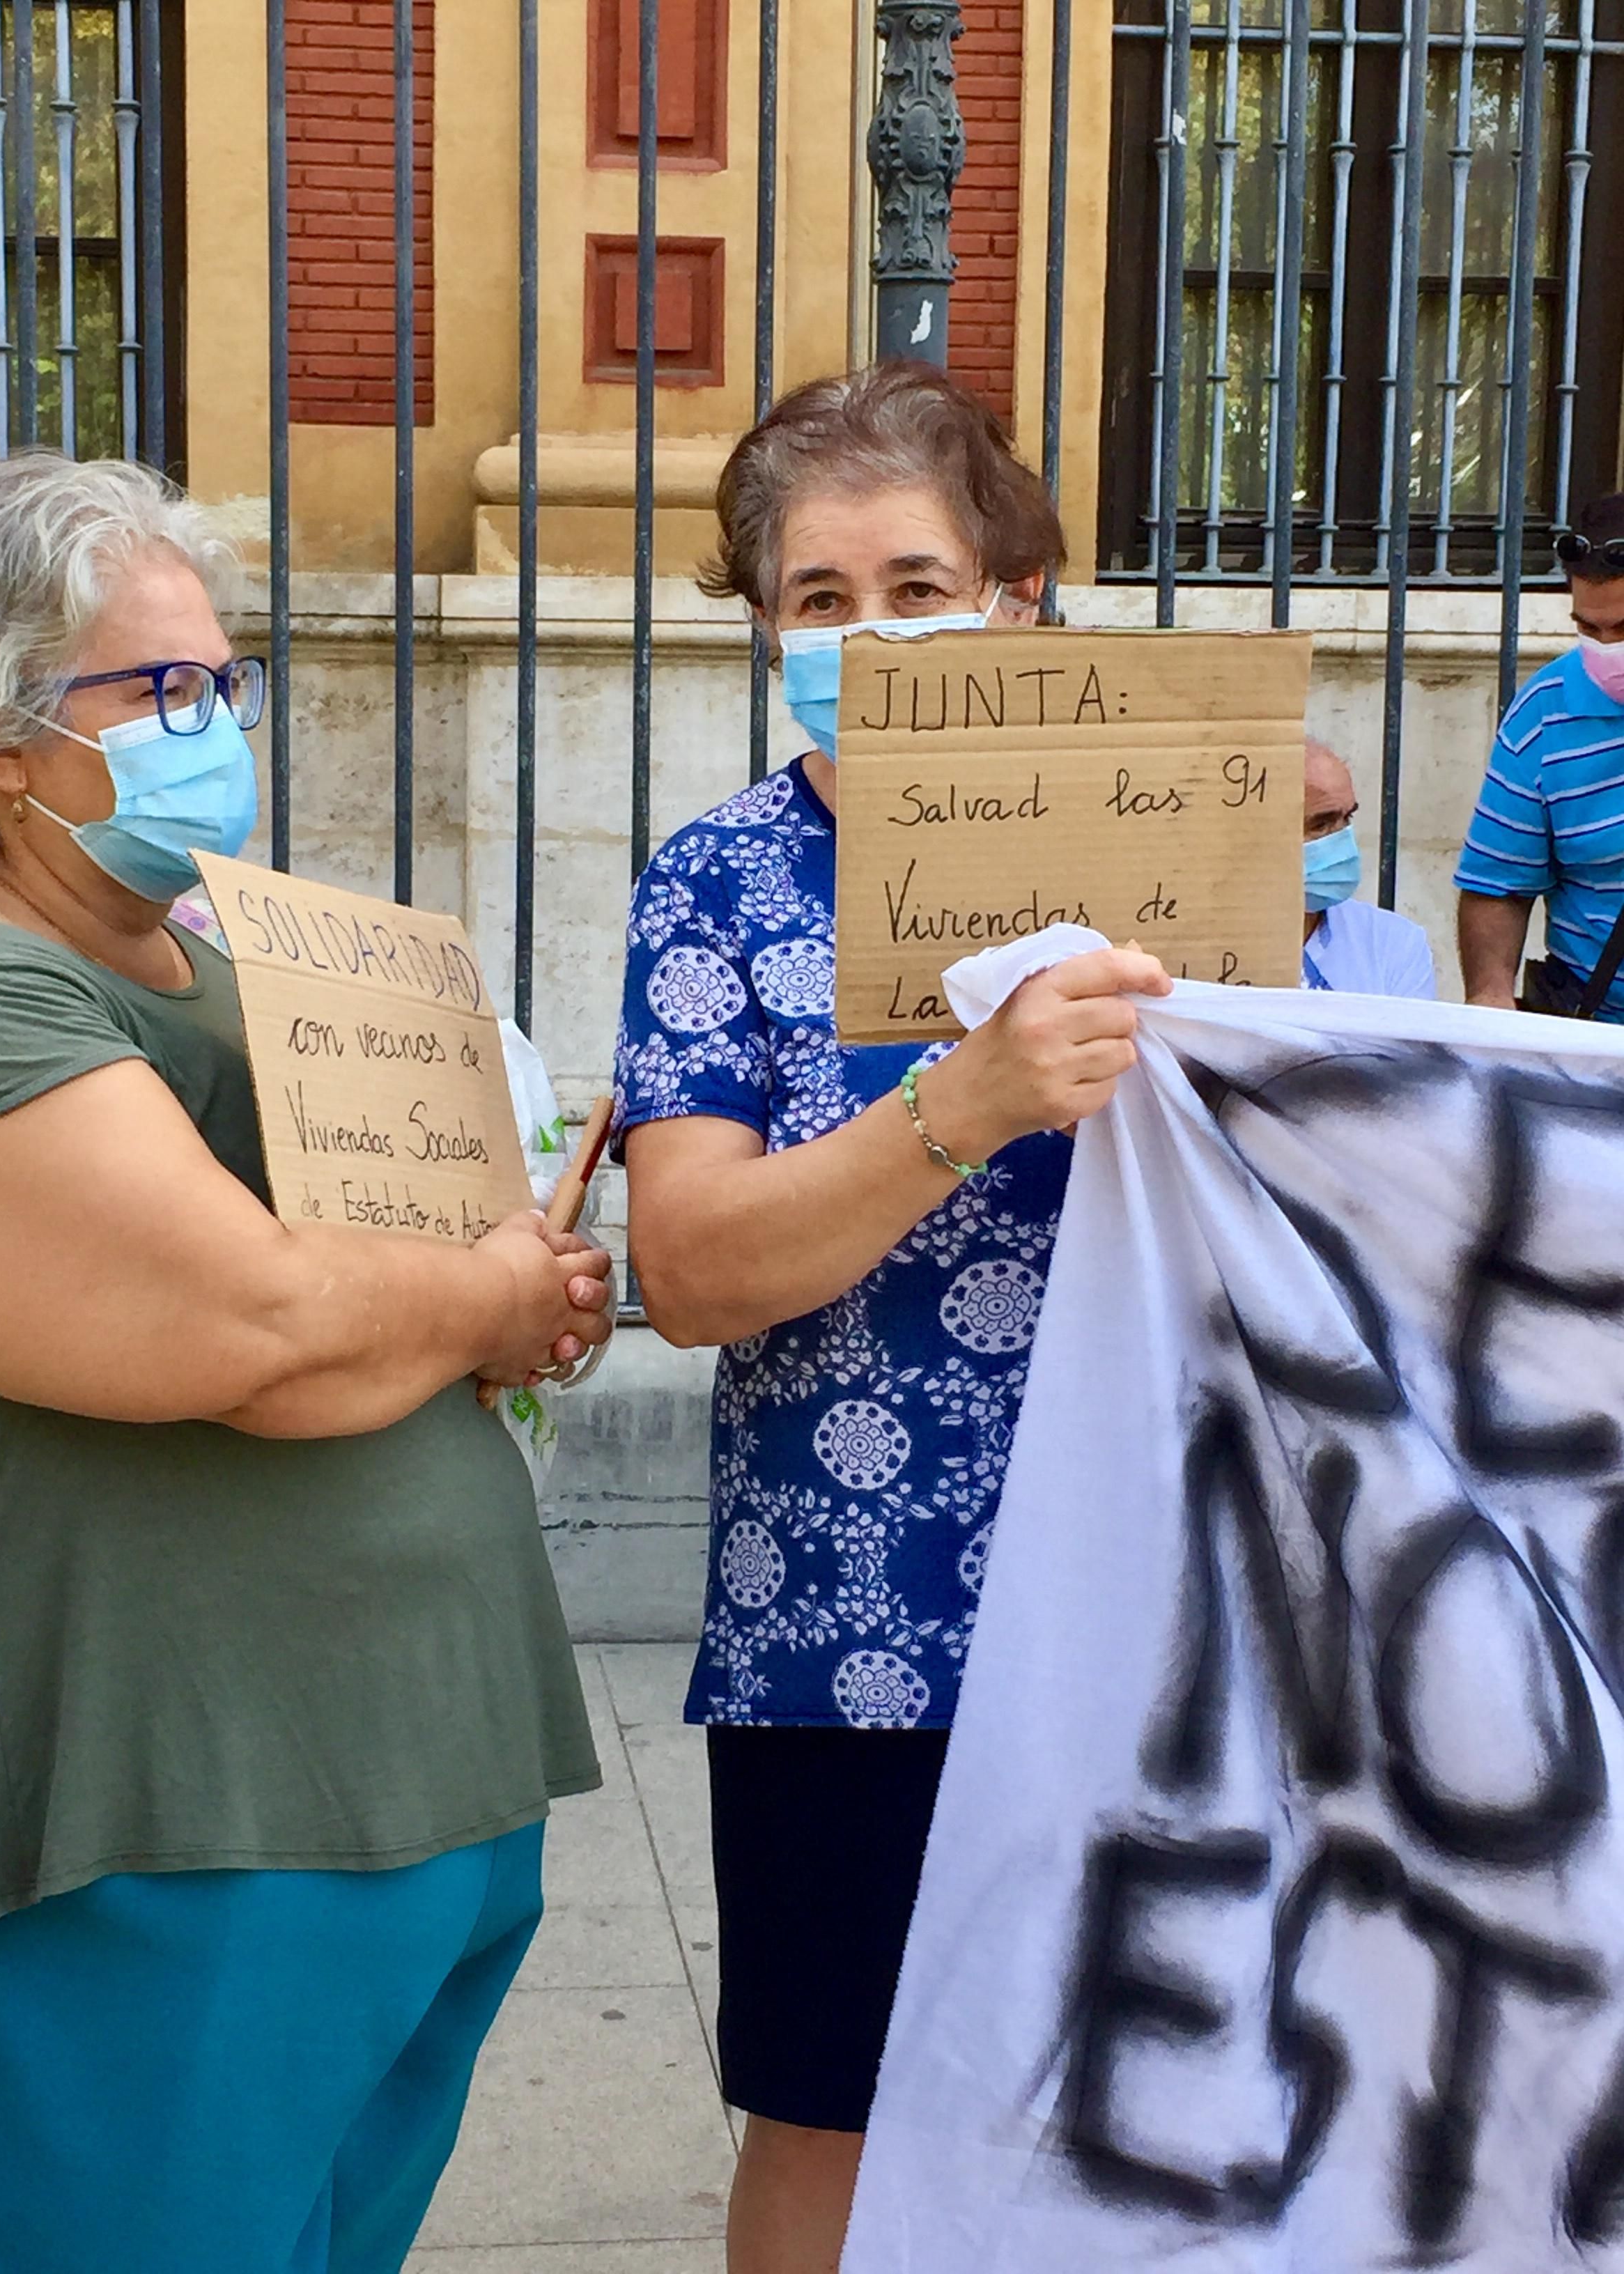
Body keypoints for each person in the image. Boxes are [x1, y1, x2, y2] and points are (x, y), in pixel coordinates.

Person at [0, 451, 614, 2274]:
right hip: (167, 1821)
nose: (212, 727)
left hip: (411, 1786)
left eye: (223, 682)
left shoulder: (221, 961)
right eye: (158, 689)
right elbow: (262, 1331)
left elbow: (404, 1282)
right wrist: (478, 1294)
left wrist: (519, 1290)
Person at [613, 363, 1172, 2274]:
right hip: (849, 1632)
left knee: (1141, 2119)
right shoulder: (716, 886)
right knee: (833, 2121)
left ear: (1014, 599)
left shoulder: (1163, 854)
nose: (870, 634)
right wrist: (965, 1102)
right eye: (820, 597)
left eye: (916, 586)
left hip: (1152, 1609)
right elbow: (691, 1269)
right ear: (765, 629)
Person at [1456, 490, 1624, 1013]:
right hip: (1595, 1030)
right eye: (1588, 628)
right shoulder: (1544, 711)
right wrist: (1490, 998)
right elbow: (1499, 882)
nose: (1607, 649)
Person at [1301, 736, 1436, 998]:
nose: (1343, 841)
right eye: (1321, 825)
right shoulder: (1218, 942)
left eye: (1347, 818)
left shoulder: (1394, 945)